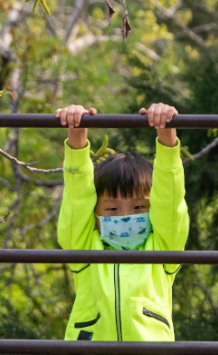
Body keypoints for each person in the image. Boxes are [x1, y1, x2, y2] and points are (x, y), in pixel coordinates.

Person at [56, 102, 189, 340]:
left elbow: (170, 200)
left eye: (138, 207)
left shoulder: (163, 249)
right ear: (94, 214)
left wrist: (167, 135)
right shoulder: (84, 248)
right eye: (112, 208)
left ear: (152, 209)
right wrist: (76, 133)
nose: (125, 216)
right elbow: (77, 198)